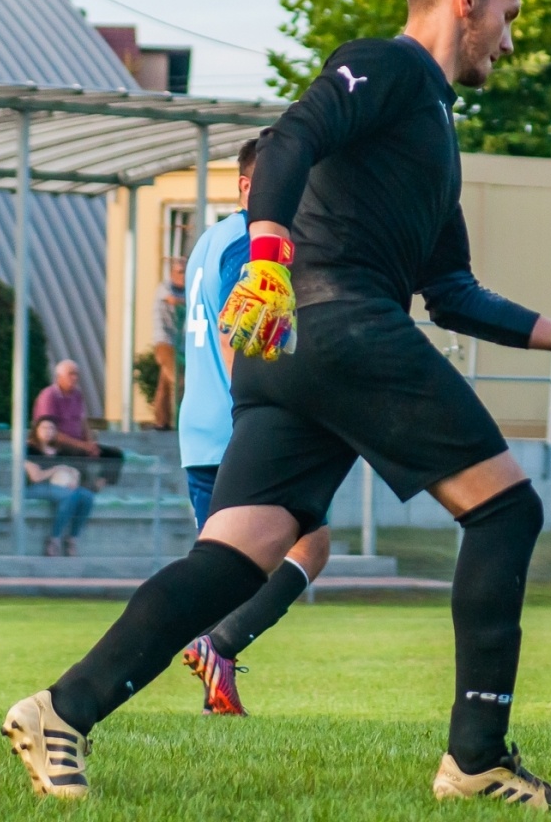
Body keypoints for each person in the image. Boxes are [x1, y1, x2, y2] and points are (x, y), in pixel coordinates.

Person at [3, 0, 551, 805]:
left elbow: (454, 293)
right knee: (508, 512)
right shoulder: (388, 67)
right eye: (508, 17)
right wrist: (271, 262)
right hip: (336, 323)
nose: (510, 42)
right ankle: (476, 760)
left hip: (294, 355)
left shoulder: (434, 134)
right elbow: (290, 140)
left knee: (236, 557)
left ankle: (62, 709)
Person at [179, 137, 330, 715]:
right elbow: (235, 330)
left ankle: (218, 682)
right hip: (235, 429)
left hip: (200, 430)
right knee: (308, 541)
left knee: (223, 569)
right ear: (248, 186)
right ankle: (218, 645)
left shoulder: (208, 239)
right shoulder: (249, 240)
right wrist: (259, 421)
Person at [32, 361, 124, 487]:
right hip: (57, 445)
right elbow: (50, 434)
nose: (75, 378)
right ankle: (83, 487)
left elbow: (83, 421)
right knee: (78, 455)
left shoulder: (77, 394)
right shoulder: (49, 396)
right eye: (71, 374)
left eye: (76, 374)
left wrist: (90, 444)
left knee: (115, 455)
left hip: (79, 443)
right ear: (59, 377)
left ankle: (100, 485)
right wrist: (83, 446)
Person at [25, 419, 96, 557]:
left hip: (58, 486)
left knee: (87, 496)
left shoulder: (59, 450)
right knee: (69, 495)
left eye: (51, 428)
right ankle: (54, 538)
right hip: (34, 487)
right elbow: (36, 477)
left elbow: (73, 470)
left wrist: (74, 479)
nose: (48, 431)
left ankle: (72, 538)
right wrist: (57, 468)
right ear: (36, 430)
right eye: (44, 428)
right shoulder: (29, 449)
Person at [151, 257, 186, 429]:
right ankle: (179, 420)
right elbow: (171, 299)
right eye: (180, 272)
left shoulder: (186, 291)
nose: (184, 276)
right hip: (165, 342)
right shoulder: (165, 287)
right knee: (179, 379)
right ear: (172, 273)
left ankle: (161, 421)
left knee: (164, 384)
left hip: (179, 343)